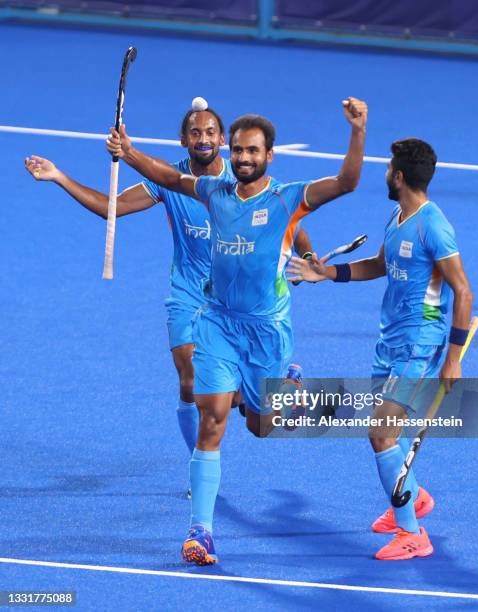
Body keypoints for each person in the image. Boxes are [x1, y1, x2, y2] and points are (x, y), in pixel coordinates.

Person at [106, 97, 368, 565]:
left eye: (254, 151)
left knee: (262, 428)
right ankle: (200, 532)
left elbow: (348, 181)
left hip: (266, 333)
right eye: (239, 150)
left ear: (270, 156)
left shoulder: (289, 197)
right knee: (212, 419)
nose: (244, 158)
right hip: (218, 324)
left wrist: (357, 131)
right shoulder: (214, 192)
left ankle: (289, 387)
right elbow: (169, 177)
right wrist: (130, 151)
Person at [25, 101, 312, 487]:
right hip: (190, 294)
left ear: (223, 140)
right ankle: (199, 467)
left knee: (254, 420)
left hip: (238, 303)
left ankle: (283, 387)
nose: (204, 138)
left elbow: (288, 216)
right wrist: (60, 176)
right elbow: (110, 207)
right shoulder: (169, 180)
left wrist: (306, 257)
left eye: (211, 132)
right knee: (190, 382)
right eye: (195, 133)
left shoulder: (242, 181)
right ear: (183, 140)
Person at [287, 137, 473, 561]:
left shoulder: (433, 226)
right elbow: (379, 264)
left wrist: (454, 357)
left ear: (400, 176)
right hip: (390, 342)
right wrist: (328, 273)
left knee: (381, 431)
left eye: (389, 168)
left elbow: (463, 291)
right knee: (390, 431)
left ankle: (412, 533)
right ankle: (410, 497)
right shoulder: (398, 214)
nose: (385, 173)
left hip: (419, 343)